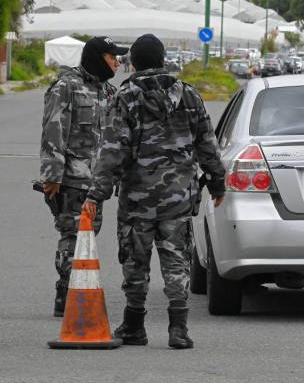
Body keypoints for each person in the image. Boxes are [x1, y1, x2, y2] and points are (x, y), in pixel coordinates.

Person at [82, 34, 226, 349]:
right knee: (177, 259)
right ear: (162, 60)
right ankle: (179, 328)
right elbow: (208, 145)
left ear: (134, 62)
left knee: (135, 260)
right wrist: (217, 182)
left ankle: (134, 325)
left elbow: (112, 152)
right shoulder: (190, 95)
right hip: (178, 197)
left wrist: (95, 195)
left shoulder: (126, 97)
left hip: (137, 198)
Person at [40, 36, 127, 317]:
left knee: (89, 236)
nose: (117, 61)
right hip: (71, 180)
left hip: (97, 183)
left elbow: (115, 138)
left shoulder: (110, 92)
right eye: (111, 56)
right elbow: (54, 132)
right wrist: (52, 176)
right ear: (96, 57)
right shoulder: (67, 87)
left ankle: (76, 290)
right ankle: (65, 293)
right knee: (72, 235)